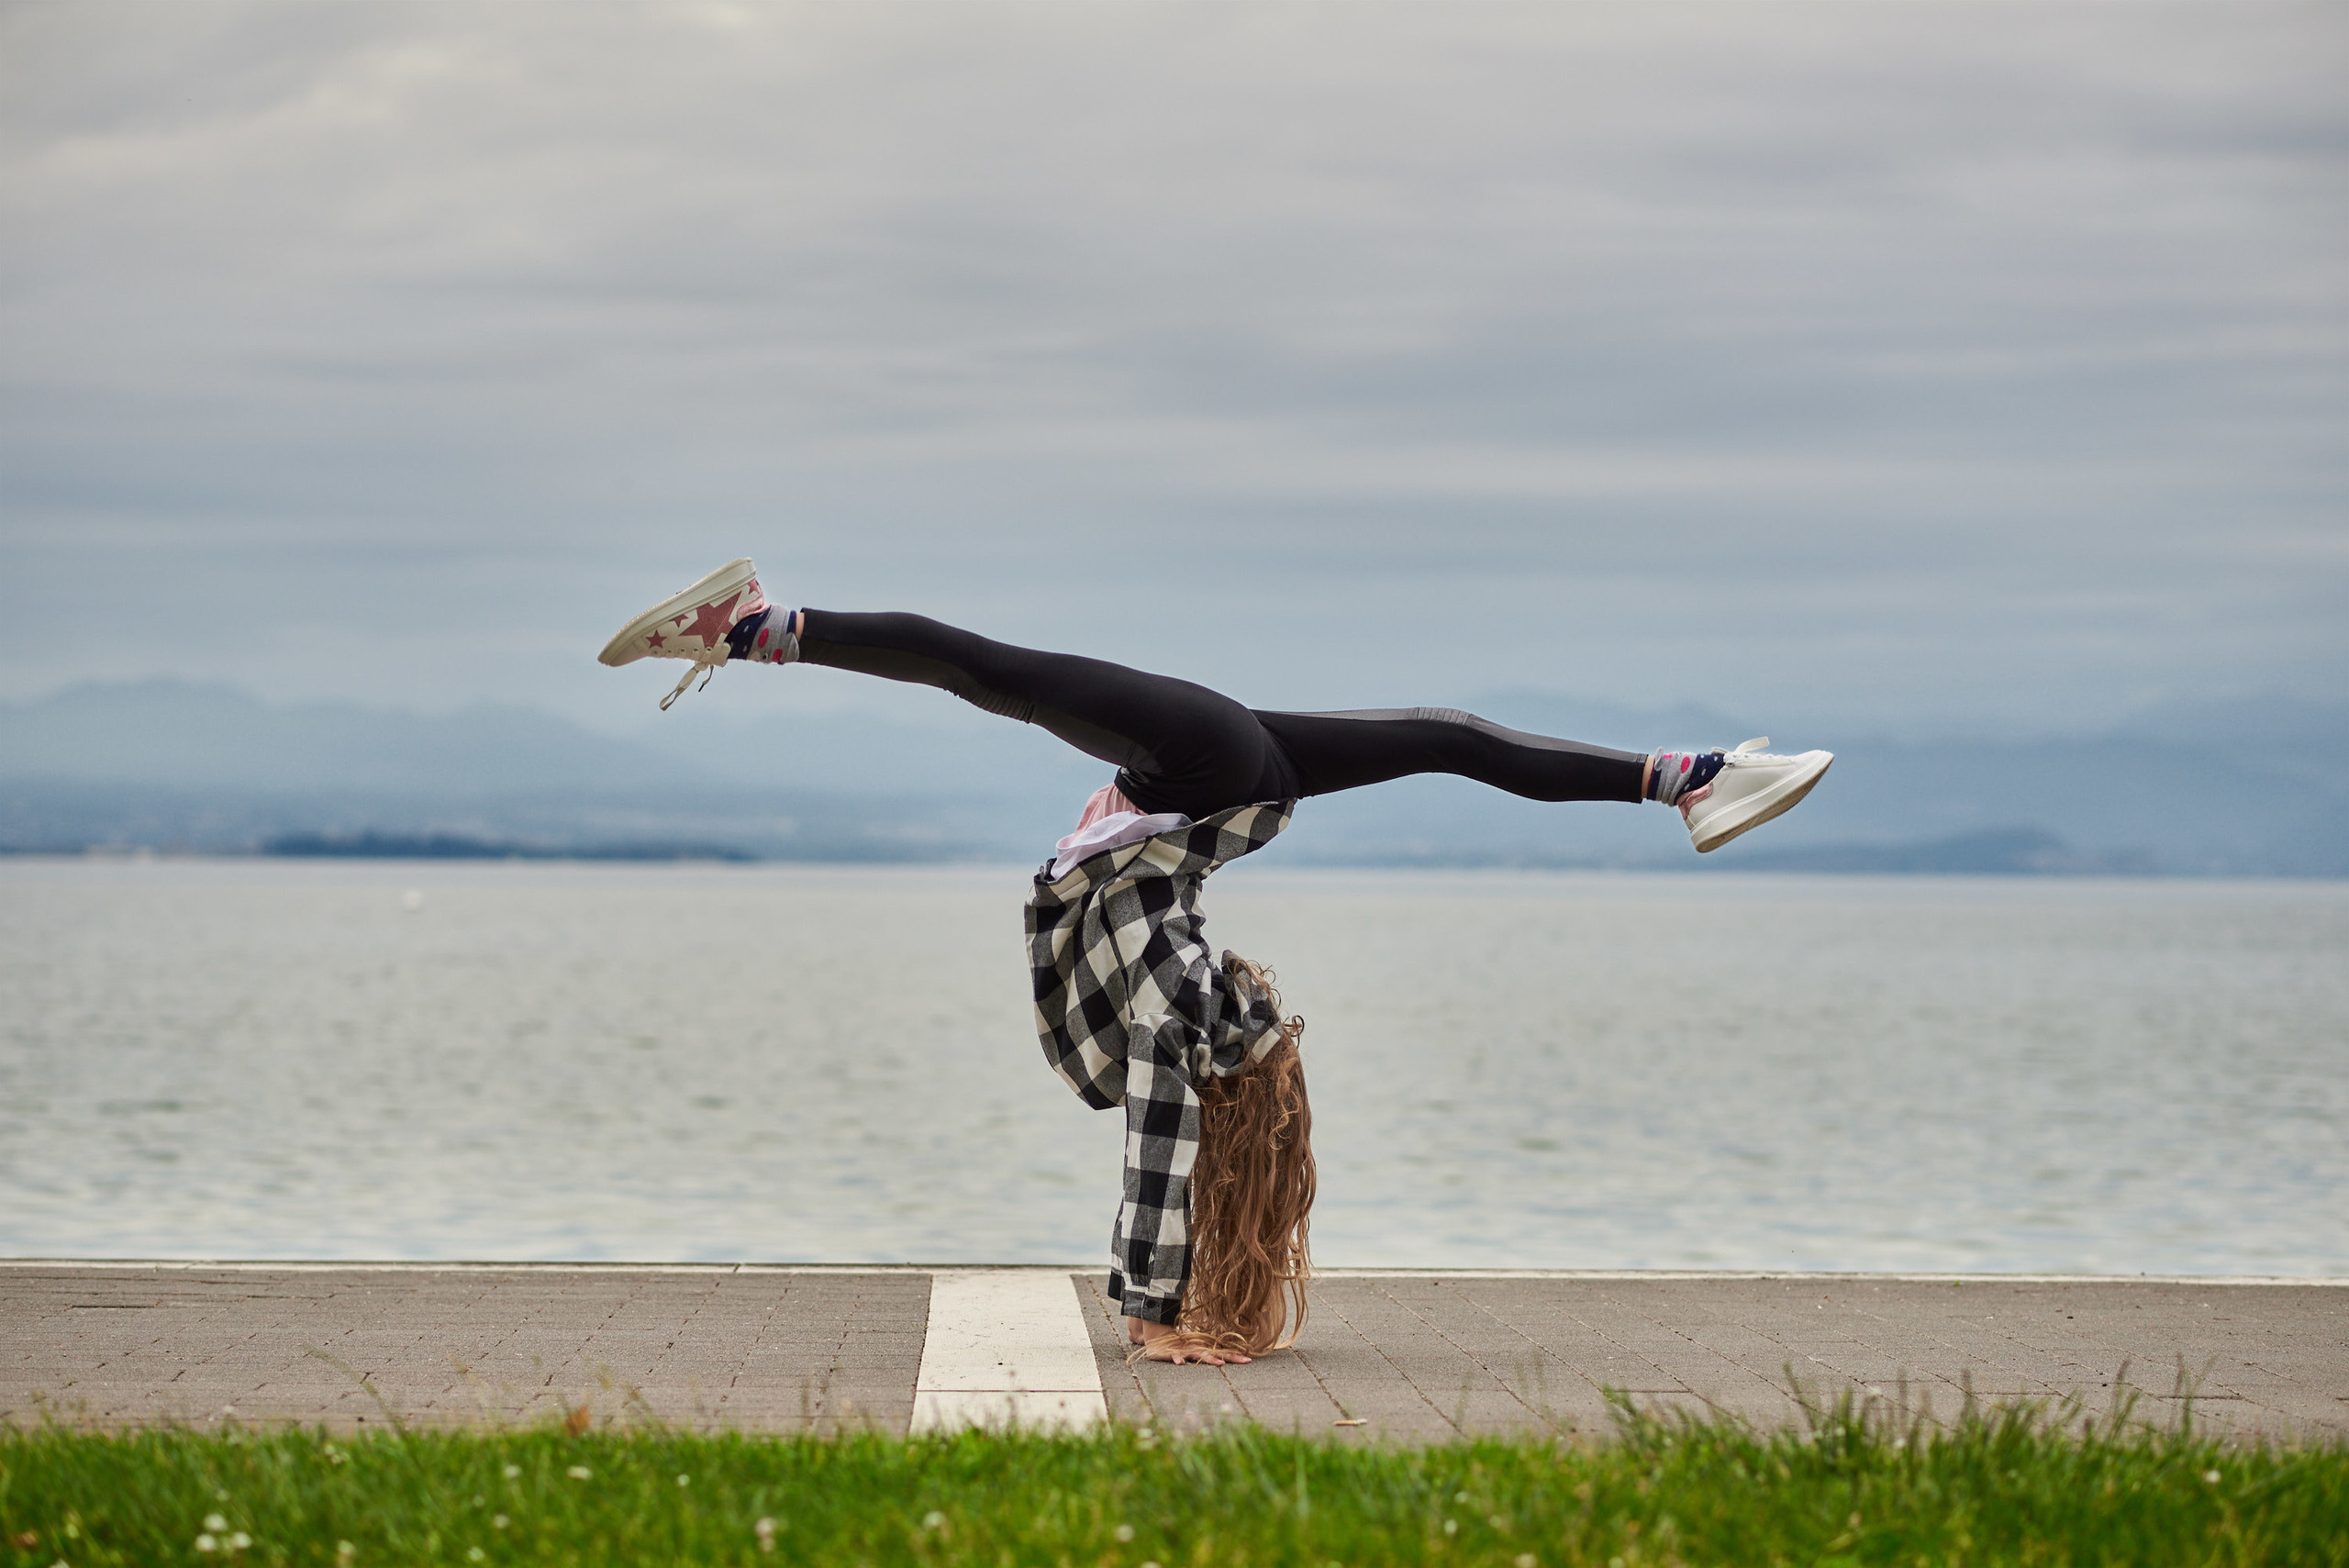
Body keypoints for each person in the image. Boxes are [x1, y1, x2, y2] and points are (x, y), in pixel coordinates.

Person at [599, 559, 1832, 1364]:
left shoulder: (1166, 975)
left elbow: (1160, 1098)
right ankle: (1690, 777)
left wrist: (1146, 1308)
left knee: (998, 674)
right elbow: (1171, 1061)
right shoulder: (1173, 959)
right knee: (1448, 735)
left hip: (1212, 765)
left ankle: (753, 627)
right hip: (1228, 772)